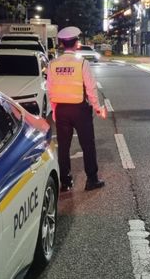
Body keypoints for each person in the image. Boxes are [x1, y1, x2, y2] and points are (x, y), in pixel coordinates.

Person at [47, 26, 107, 192]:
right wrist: (97, 108)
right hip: (80, 110)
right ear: (76, 44)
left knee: (64, 147)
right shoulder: (82, 64)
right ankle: (91, 180)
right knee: (88, 145)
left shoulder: (52, 64)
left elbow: (50, 90)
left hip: (61, 110)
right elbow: (91, 89)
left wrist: (54, 111)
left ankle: (65, 182)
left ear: (61, 44)